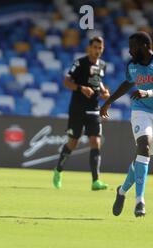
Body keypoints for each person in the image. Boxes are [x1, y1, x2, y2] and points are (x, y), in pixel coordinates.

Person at [101, 31, 153, 217]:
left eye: (133, 46)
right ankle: (140, 201)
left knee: (142, 158)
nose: (129, 51)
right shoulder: (132, 65)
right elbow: (128, 84)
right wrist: (108, 102)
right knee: (143, 147)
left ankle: (122, 191)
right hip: (140, 110)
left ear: (144, 46)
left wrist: (149, 92)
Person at [53, 36, 110, 191]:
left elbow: (98, 81)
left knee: (95, 142)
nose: (97, 50)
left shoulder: (103, 65)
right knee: (73, 143)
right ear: (89, 48)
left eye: (100, 48)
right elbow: (66, 82)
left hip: (94, 109)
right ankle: (58, 171)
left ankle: (95, 181)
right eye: (95, 47)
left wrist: (104, 91)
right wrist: (81, 88)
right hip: (78, 109)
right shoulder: (79, 63)